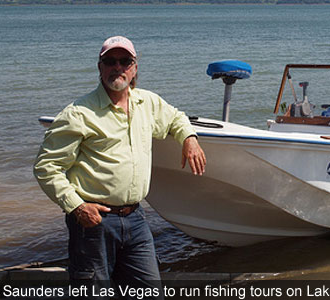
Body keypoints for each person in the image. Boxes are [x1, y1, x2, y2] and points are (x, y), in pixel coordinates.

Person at [33, 36, 206, 298]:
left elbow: (175, 118)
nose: (118, 67)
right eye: (110, 61)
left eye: (125, 61)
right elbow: (46, 167)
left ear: (135, 67)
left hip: (136, 220)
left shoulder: (146, 103)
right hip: (93, 221)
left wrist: (189, 138)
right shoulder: (78, 113)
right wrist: (77, 206)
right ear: (99, 67)